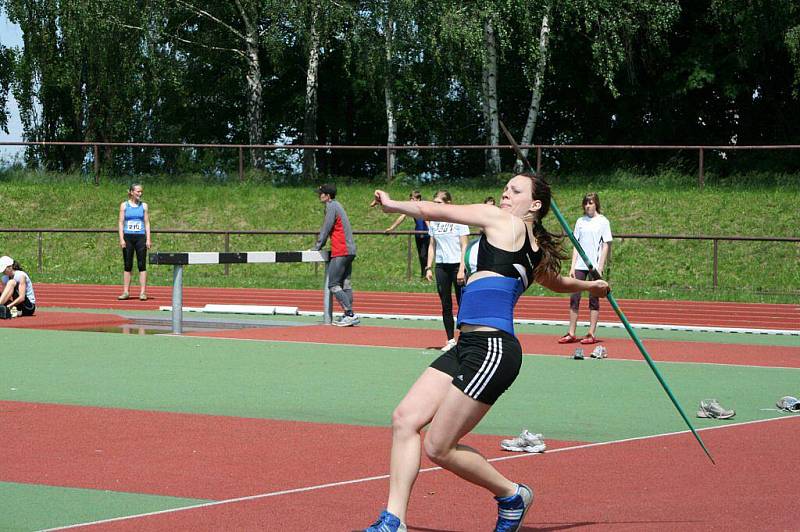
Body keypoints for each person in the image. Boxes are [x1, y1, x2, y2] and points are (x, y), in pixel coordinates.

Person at [367, 174, 609, 532]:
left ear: (535, 205)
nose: (505, 193)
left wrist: (393, 205)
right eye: (506, 188)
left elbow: (435, 210)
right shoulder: (534, 251)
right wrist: (593, 284)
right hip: (468, 345)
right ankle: (394, 520)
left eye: (515, 190)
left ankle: (512, 494)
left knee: (439, 446)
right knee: (405, 419)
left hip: (493, 348)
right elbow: (558, 283)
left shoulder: (503, 220)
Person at [557, 192, 612, 345]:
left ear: (596, 204)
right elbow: (576, 244)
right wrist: (573, 266)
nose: (588, 206)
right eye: (586, 203)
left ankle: (591, 333)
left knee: (594, 299)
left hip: (594, 266)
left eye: (591, 203)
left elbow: (606, 244)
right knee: (574, 297)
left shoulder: (603, 221)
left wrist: (600, 267)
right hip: (580, 265)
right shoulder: (580, 221)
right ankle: (571, 332)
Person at [426, 190, 469, 352]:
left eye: (439, 203)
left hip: (457, 266)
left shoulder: (459, 220)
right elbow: (432, 244)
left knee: (462, 304)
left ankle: (465, 339)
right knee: (446, 305)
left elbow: (465, 245)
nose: (435, 206)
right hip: (441, 267)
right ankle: (451, 340)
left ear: (448, 203)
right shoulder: (434, 221)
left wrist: (461, 268)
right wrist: (428, 267)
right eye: (434, 202)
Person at [312, 183, 360, 326]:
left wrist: (317, 246)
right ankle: (348, 314)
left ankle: (350, 314)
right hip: (350, 250)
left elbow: (326, 227)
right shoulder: (338, 205)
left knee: (333, 284)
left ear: (327, 196)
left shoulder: (331, 206)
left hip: (341, 250)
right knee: (345, 284)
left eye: (321, 194)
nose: (319, 196)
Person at [117, 183, 151, 301]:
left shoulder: (144, 206)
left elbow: (146, 223)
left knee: (142, 265)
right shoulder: (124, 205)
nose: (140, 194)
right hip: (128, 237)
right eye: (138, 191)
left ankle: (143, 292)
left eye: (141, 192)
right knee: (128, 265)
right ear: (131, 192)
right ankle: (126, 291)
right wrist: (121, 239)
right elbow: (121, 222)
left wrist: (148, 239)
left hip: (140, 237)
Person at [384, 190, 430, 279]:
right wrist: (392, 228)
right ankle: (423, 275)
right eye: (410, 199)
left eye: (412, 199)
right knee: (421, 255)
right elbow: (402, 216)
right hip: (418, 234)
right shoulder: (412, 209)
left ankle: (427, 274)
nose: (410, 201)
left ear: (418, 199)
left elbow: (426, 218)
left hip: (427, 234)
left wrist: (430, 230)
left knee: (425, 255)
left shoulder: (423, 206)